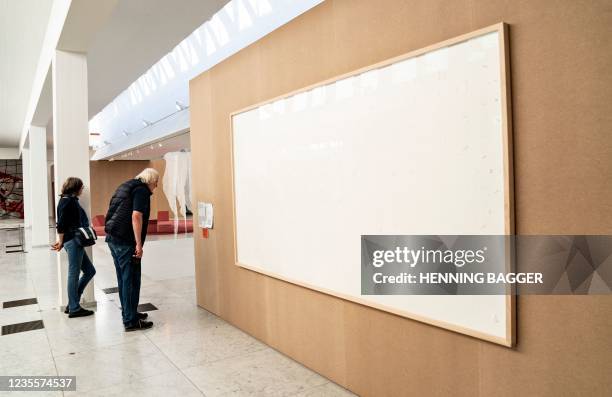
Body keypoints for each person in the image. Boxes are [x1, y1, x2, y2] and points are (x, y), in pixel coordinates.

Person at [105, 168, 159, 331]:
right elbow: (136, 216)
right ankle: (130, 320)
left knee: (123, 279)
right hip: (126, 241)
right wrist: (138, 244)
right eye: (156, 183)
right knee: (131, 281)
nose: (156, 186)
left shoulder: (126, 186)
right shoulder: (142, 191)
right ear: (150, 181)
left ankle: (130, 313)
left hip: (113, 238)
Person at [51, 177, 96, 318]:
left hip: (74, 241)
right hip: (73, 242)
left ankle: (72, 303)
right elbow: (61, 224)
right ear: (75, 188)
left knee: (89, 271)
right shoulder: (67, 201)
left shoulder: (69, 200)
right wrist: (61, 241)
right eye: (81, 187)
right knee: (74, 274)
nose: (82, 190)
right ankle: (74, 308)